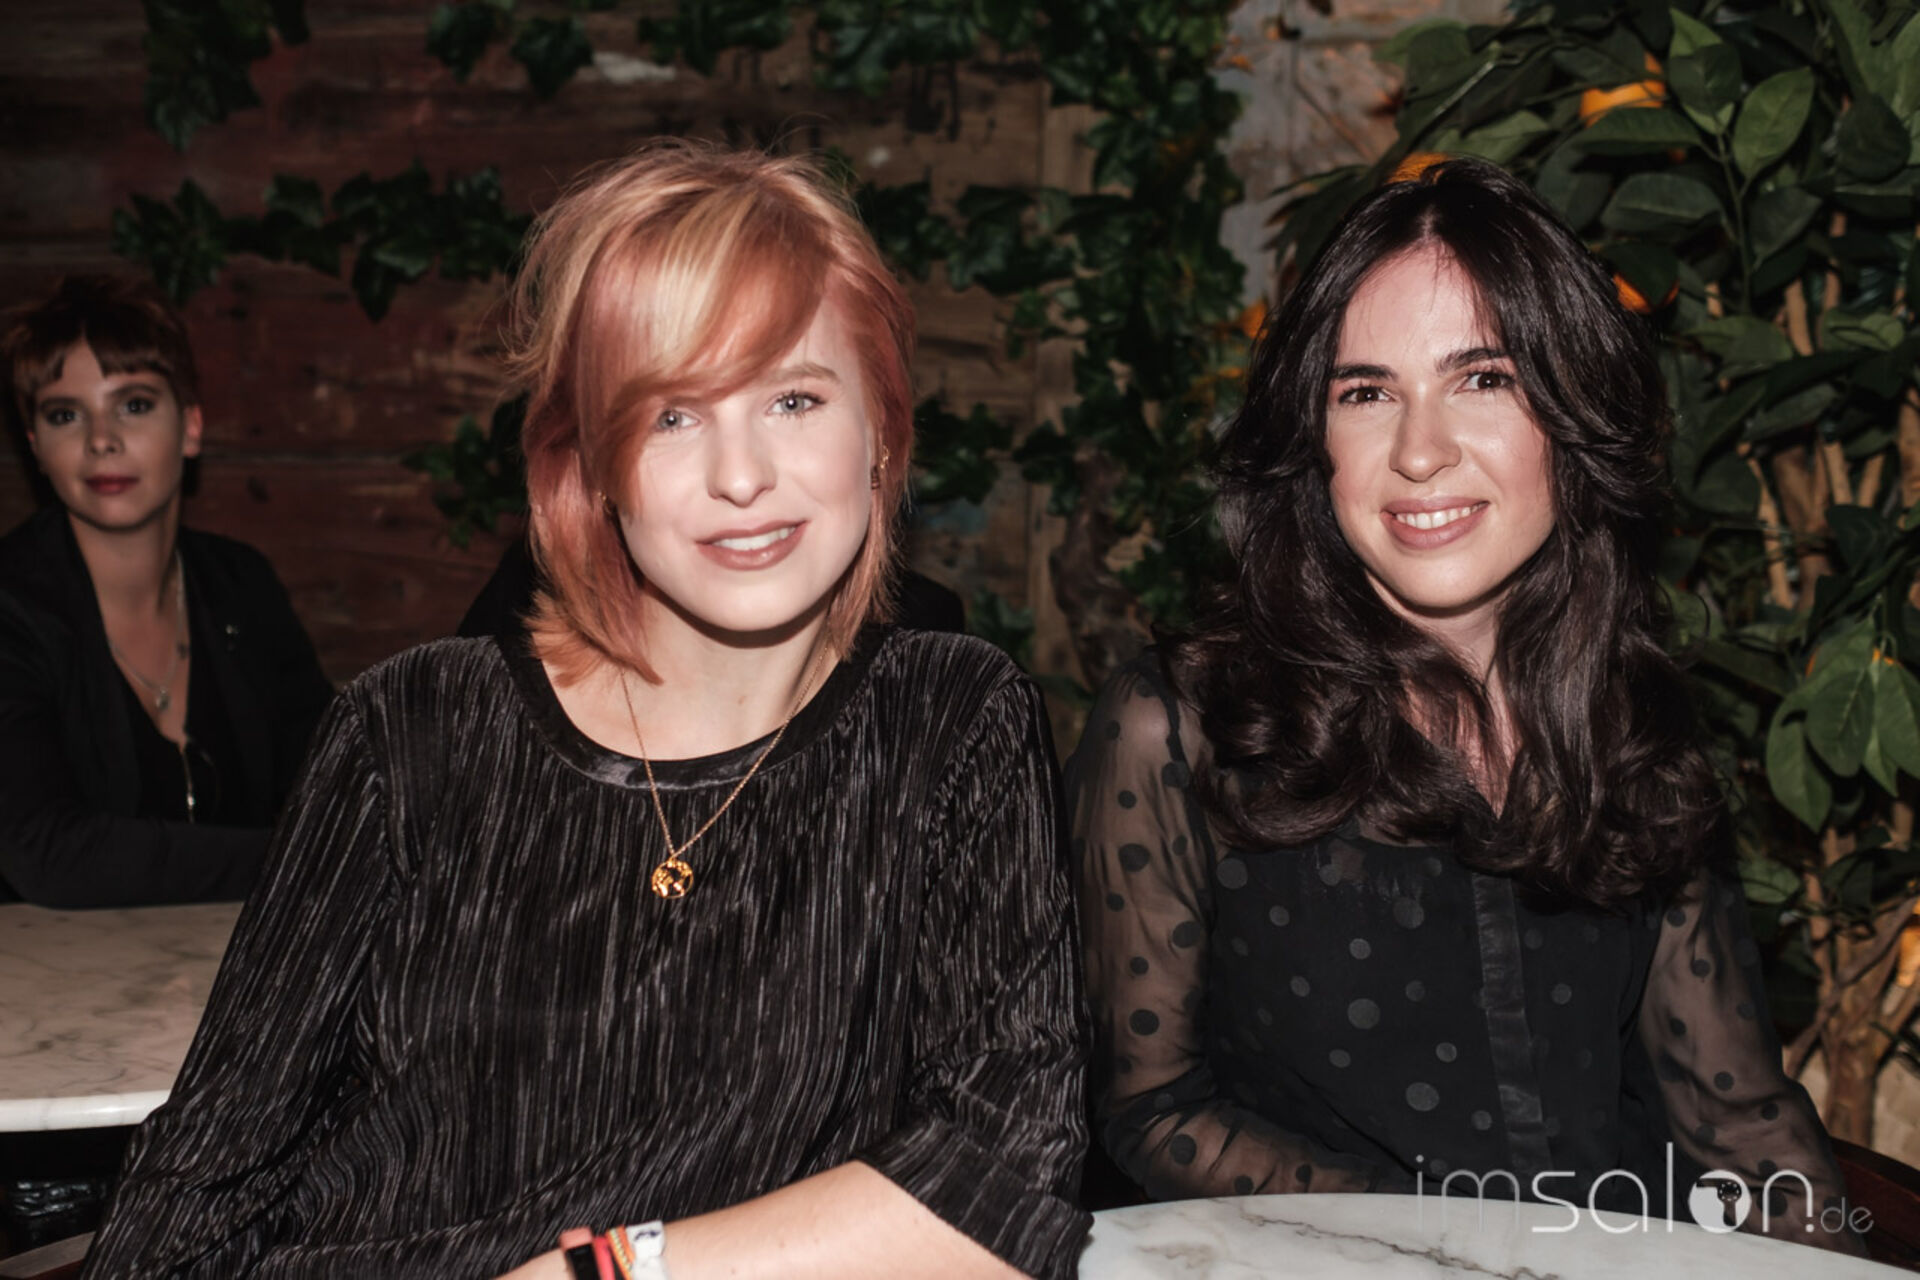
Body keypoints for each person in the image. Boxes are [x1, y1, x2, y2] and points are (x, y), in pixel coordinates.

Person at [86, 142, 1087, 1280]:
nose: (742, 474)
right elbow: (190, 1199)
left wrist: (604, 1271)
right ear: (594, 467)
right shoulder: (410, 731)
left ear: (883, 432)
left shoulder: (950, 724)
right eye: (672, 416)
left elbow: (1008, 1178)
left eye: (794, 398)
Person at [1069, 157, 1860, 1252]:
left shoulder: (1630, 720)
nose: (1419, 451)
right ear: (1314, 440)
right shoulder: (1183, 725)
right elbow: (1153, 1110)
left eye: (1483, 378)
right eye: (1366, 392)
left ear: (1571, 412)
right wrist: (1454, 1244)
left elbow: (1742, 1124)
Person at [0, 275, 334, 908]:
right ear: (36, 448)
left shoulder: (241, 585)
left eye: (134, 405)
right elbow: (48, 853)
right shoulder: (13, 609)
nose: (102, 439)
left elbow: (338, 788)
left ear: (191, 427)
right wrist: (296, 863)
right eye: (65, 414)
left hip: (231, 958)